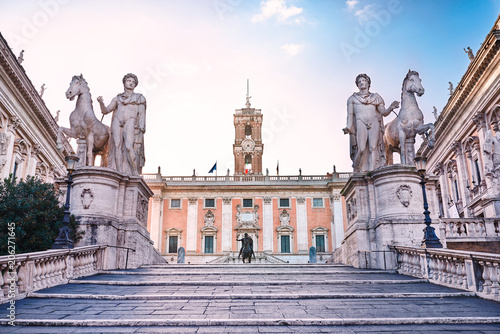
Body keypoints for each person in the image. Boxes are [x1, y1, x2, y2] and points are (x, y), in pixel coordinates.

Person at [343, 74, 399, 172]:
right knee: (361, 148)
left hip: (374, 122)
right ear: (357, 85)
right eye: (359, 82)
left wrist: (391, 108)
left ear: (368, 83)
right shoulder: (352, 99)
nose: (361, 83)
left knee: (373, 148)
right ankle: (357, 169)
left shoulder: (376, 97)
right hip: (360, 122)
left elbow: (383, 112)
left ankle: (373, 172)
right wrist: (348, 127)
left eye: (363, 80)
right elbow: (350, 115)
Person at [98, 73, 146, 175]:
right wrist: (101, 103)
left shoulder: (139, 98)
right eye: (129, 81)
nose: (131, 83)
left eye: (133, 82)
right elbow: (105, 111)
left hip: (131, 121)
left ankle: (134, 171)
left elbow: (142, 114)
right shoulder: (117, 98)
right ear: (124, 83)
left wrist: (141, 127)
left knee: (129, 146)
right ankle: (119, 173)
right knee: (117, 146)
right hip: (117, 120)